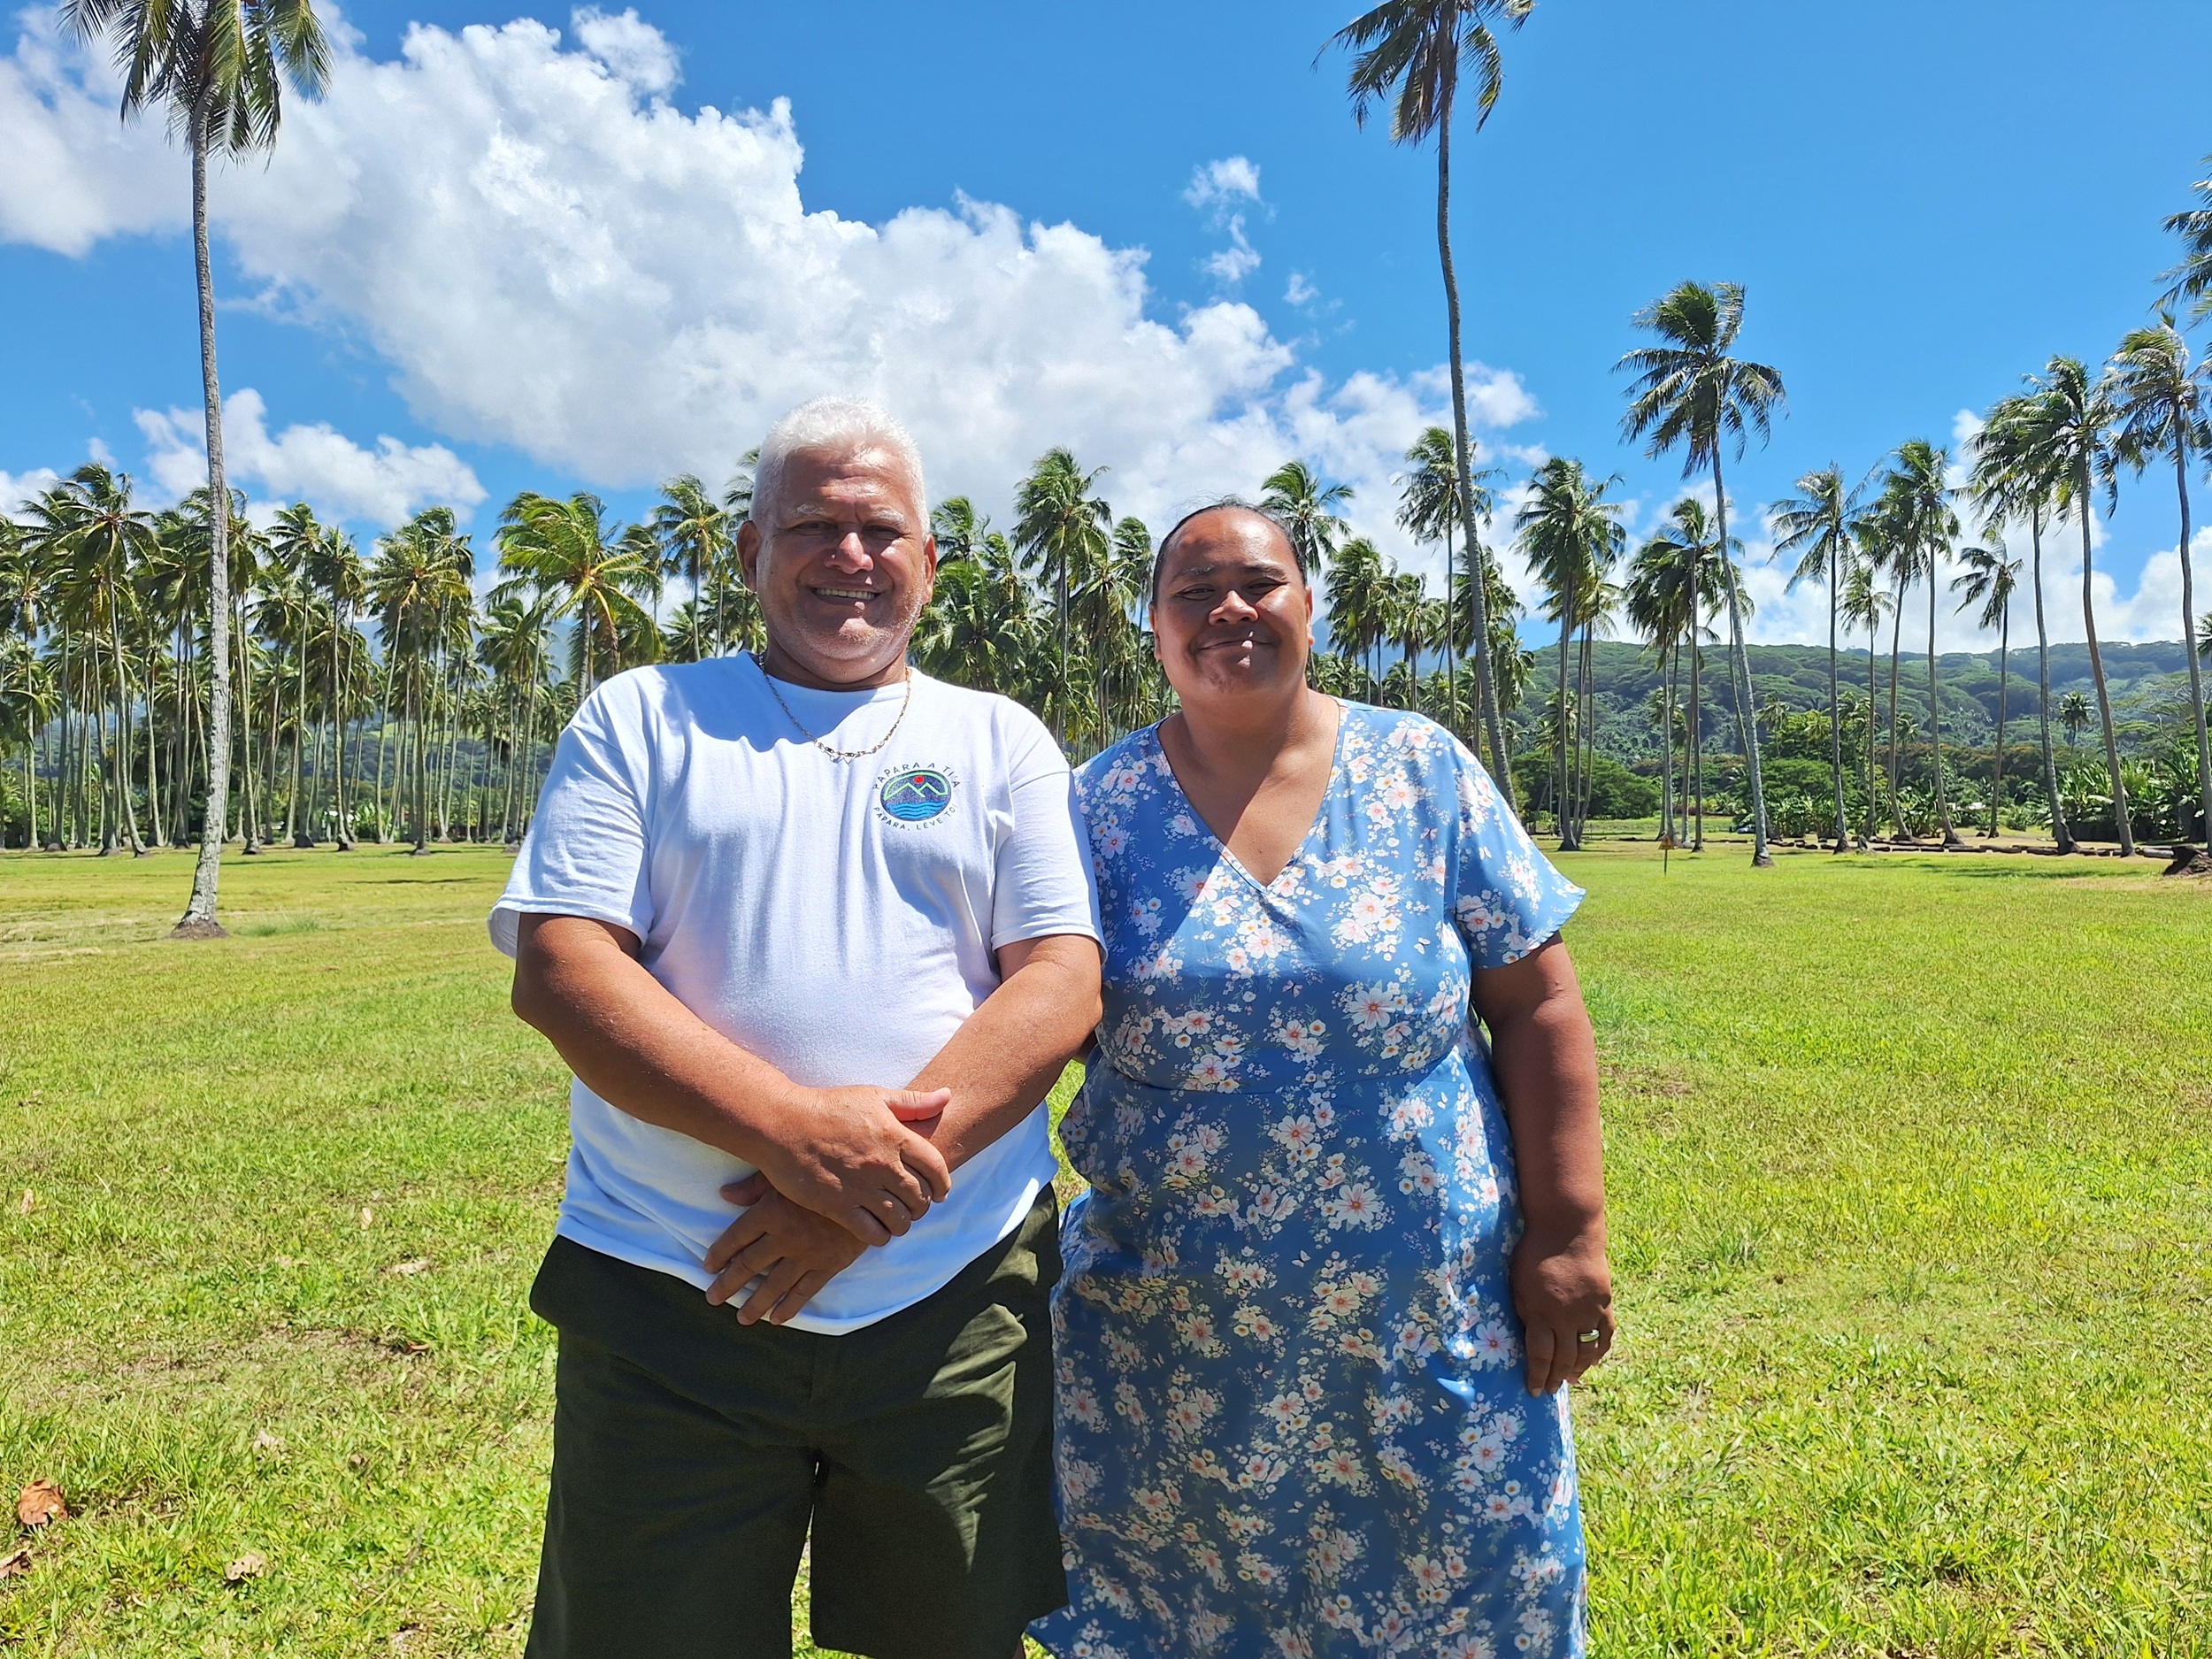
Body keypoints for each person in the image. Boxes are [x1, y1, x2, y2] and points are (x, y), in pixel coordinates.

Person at [492, 396, 1102, 1659]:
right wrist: (790, 1133)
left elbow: (1057, 980)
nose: (851, 555)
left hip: (952, 1294)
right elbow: (563, 966)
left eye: (881, 529)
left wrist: (861, 1197)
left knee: (952, 1637)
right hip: (672, 1290)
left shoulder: (999, 740)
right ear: (749, 550)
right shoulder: (642, 719)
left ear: (929, 559)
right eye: (814, 525)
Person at [1031, 503, 1614, 1659]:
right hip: (1174, 1338)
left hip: (1429, 1314)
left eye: (1259, 583)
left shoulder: (1420, 769)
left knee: (1471, 1591)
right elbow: (1033, 1013)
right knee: (1190, 1615)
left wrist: (1568, 1233)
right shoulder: (1094, 809)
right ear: (1154, 624)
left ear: (1308, 605)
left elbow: (1537, 1004)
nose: (1229, 610)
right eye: (1194, 592)